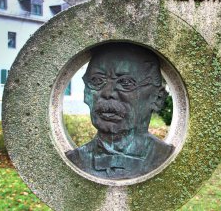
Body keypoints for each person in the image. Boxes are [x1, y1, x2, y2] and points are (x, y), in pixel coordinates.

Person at [66, 43, 174, 179]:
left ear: (157, 99)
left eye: (126, 83)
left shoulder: (165, 156)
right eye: (97, 80)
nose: (107, 93)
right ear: (86, 93)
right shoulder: (76, 159)